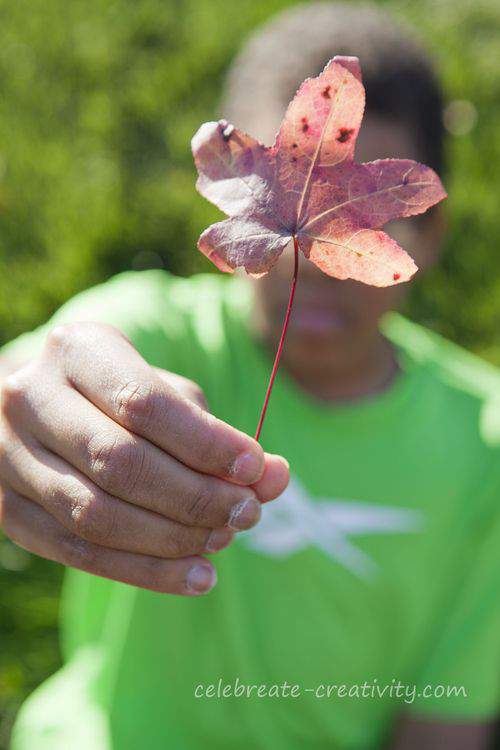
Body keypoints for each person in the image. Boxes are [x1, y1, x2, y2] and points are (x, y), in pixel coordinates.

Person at [1, 3, 500, 749]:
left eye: (377, 226)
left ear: (430, 232)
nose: (306, 263)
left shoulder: (484, 446)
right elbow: (58, 357)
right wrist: (27, 405)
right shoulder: (165, 331)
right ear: (227, 184)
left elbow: (443, 725)